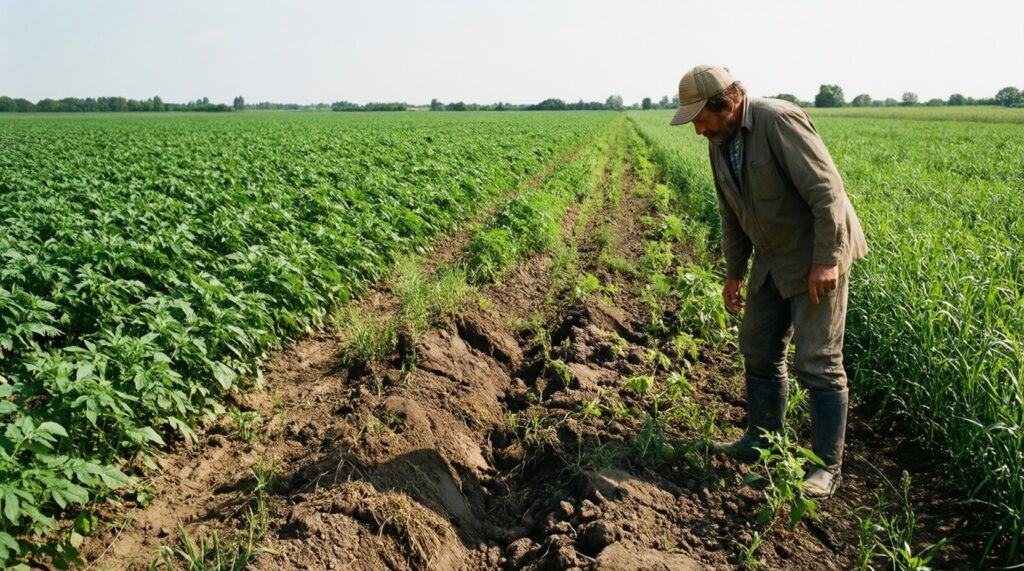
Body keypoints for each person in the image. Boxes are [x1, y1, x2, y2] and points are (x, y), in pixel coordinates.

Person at [669, 65, 868, 498]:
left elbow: (826, 191)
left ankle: (826, 468)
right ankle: (762, 441)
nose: (697, 130)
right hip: (771, 257)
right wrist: (734, 273)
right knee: (758, 347)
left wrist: (827, 260)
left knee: (817, 360)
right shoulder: (720, 142)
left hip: (815, 254)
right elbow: (730, 213)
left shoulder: (778, 121)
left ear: (724, 104)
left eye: (700, 118)